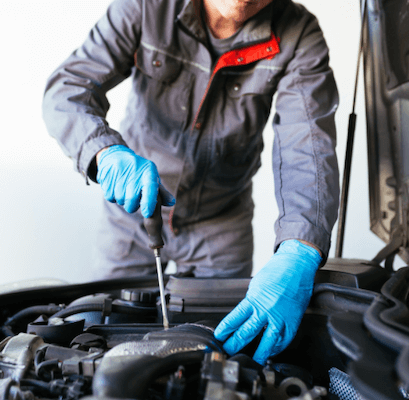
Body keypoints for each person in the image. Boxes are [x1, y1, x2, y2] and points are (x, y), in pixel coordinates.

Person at [43, 0, 339, 365]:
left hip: (221, 225)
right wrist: (104, 153)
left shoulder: (299, 33)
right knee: (104, 344)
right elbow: (68, 88)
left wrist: (301, 247)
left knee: (220, 355)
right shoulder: (146, 6)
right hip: (132, 211)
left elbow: (306, 146)